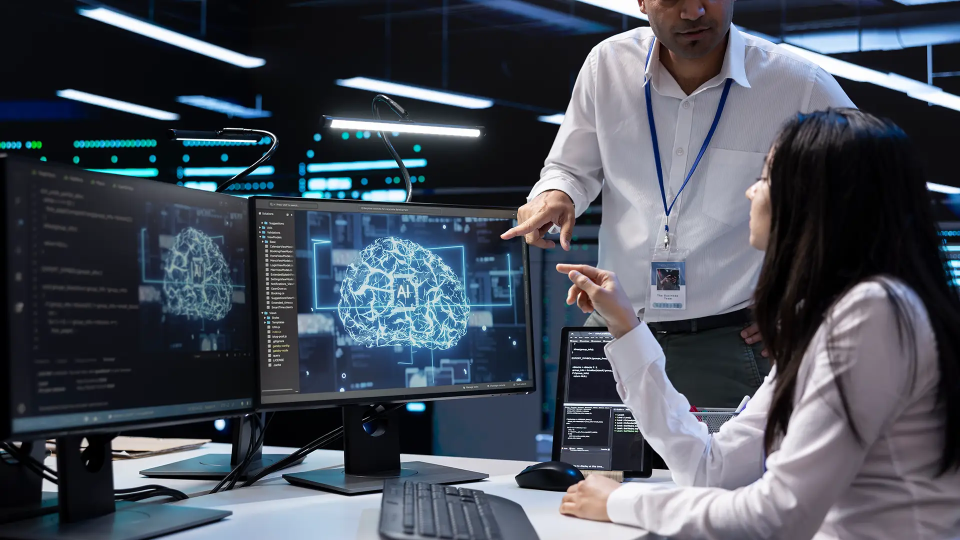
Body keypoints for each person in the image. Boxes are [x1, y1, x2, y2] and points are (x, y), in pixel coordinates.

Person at [553, 109, 960, 538]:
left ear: (811, 198)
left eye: (765, 177)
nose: (751, 192)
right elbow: (710, 469)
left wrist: (620, 502)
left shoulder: (872, 312)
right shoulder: (840, 314)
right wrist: (627, 330)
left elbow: (777, 516)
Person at [501, 0, 854, 408]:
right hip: (613, 328)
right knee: (591, 473)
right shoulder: (608, 65)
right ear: (641, 2)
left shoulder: (797, 84)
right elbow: (568, 167)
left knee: (718, 472)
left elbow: (867, 197)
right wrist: (556, 193)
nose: (694, 12)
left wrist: (807, 301)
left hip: (726, 343)